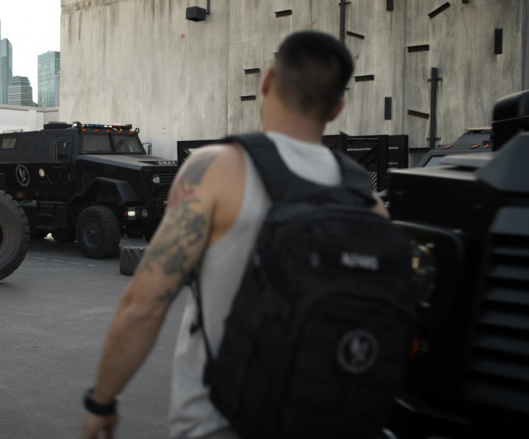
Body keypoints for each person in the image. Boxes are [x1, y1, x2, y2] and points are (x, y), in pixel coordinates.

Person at [81, 30, 389, 439]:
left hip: (220, 422)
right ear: (337, 108)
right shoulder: (366, 199)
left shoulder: (215, 170)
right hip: (329, 418)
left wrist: (102, 402)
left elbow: (144, 305)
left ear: (266, 82)